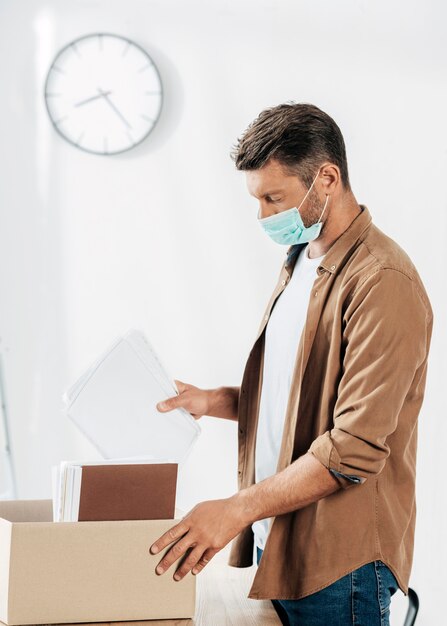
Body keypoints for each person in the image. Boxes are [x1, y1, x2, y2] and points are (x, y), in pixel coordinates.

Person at [149, 103, 433, 626]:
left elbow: (353, 448)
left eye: (272, 197)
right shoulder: (301, 262)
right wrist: (215, 401)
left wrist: (236, 509)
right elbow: (299, 396)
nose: (262, 216)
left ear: (326, 178)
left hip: (338, 563)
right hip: (277, 540)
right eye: (256, 200)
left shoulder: (383, 281)